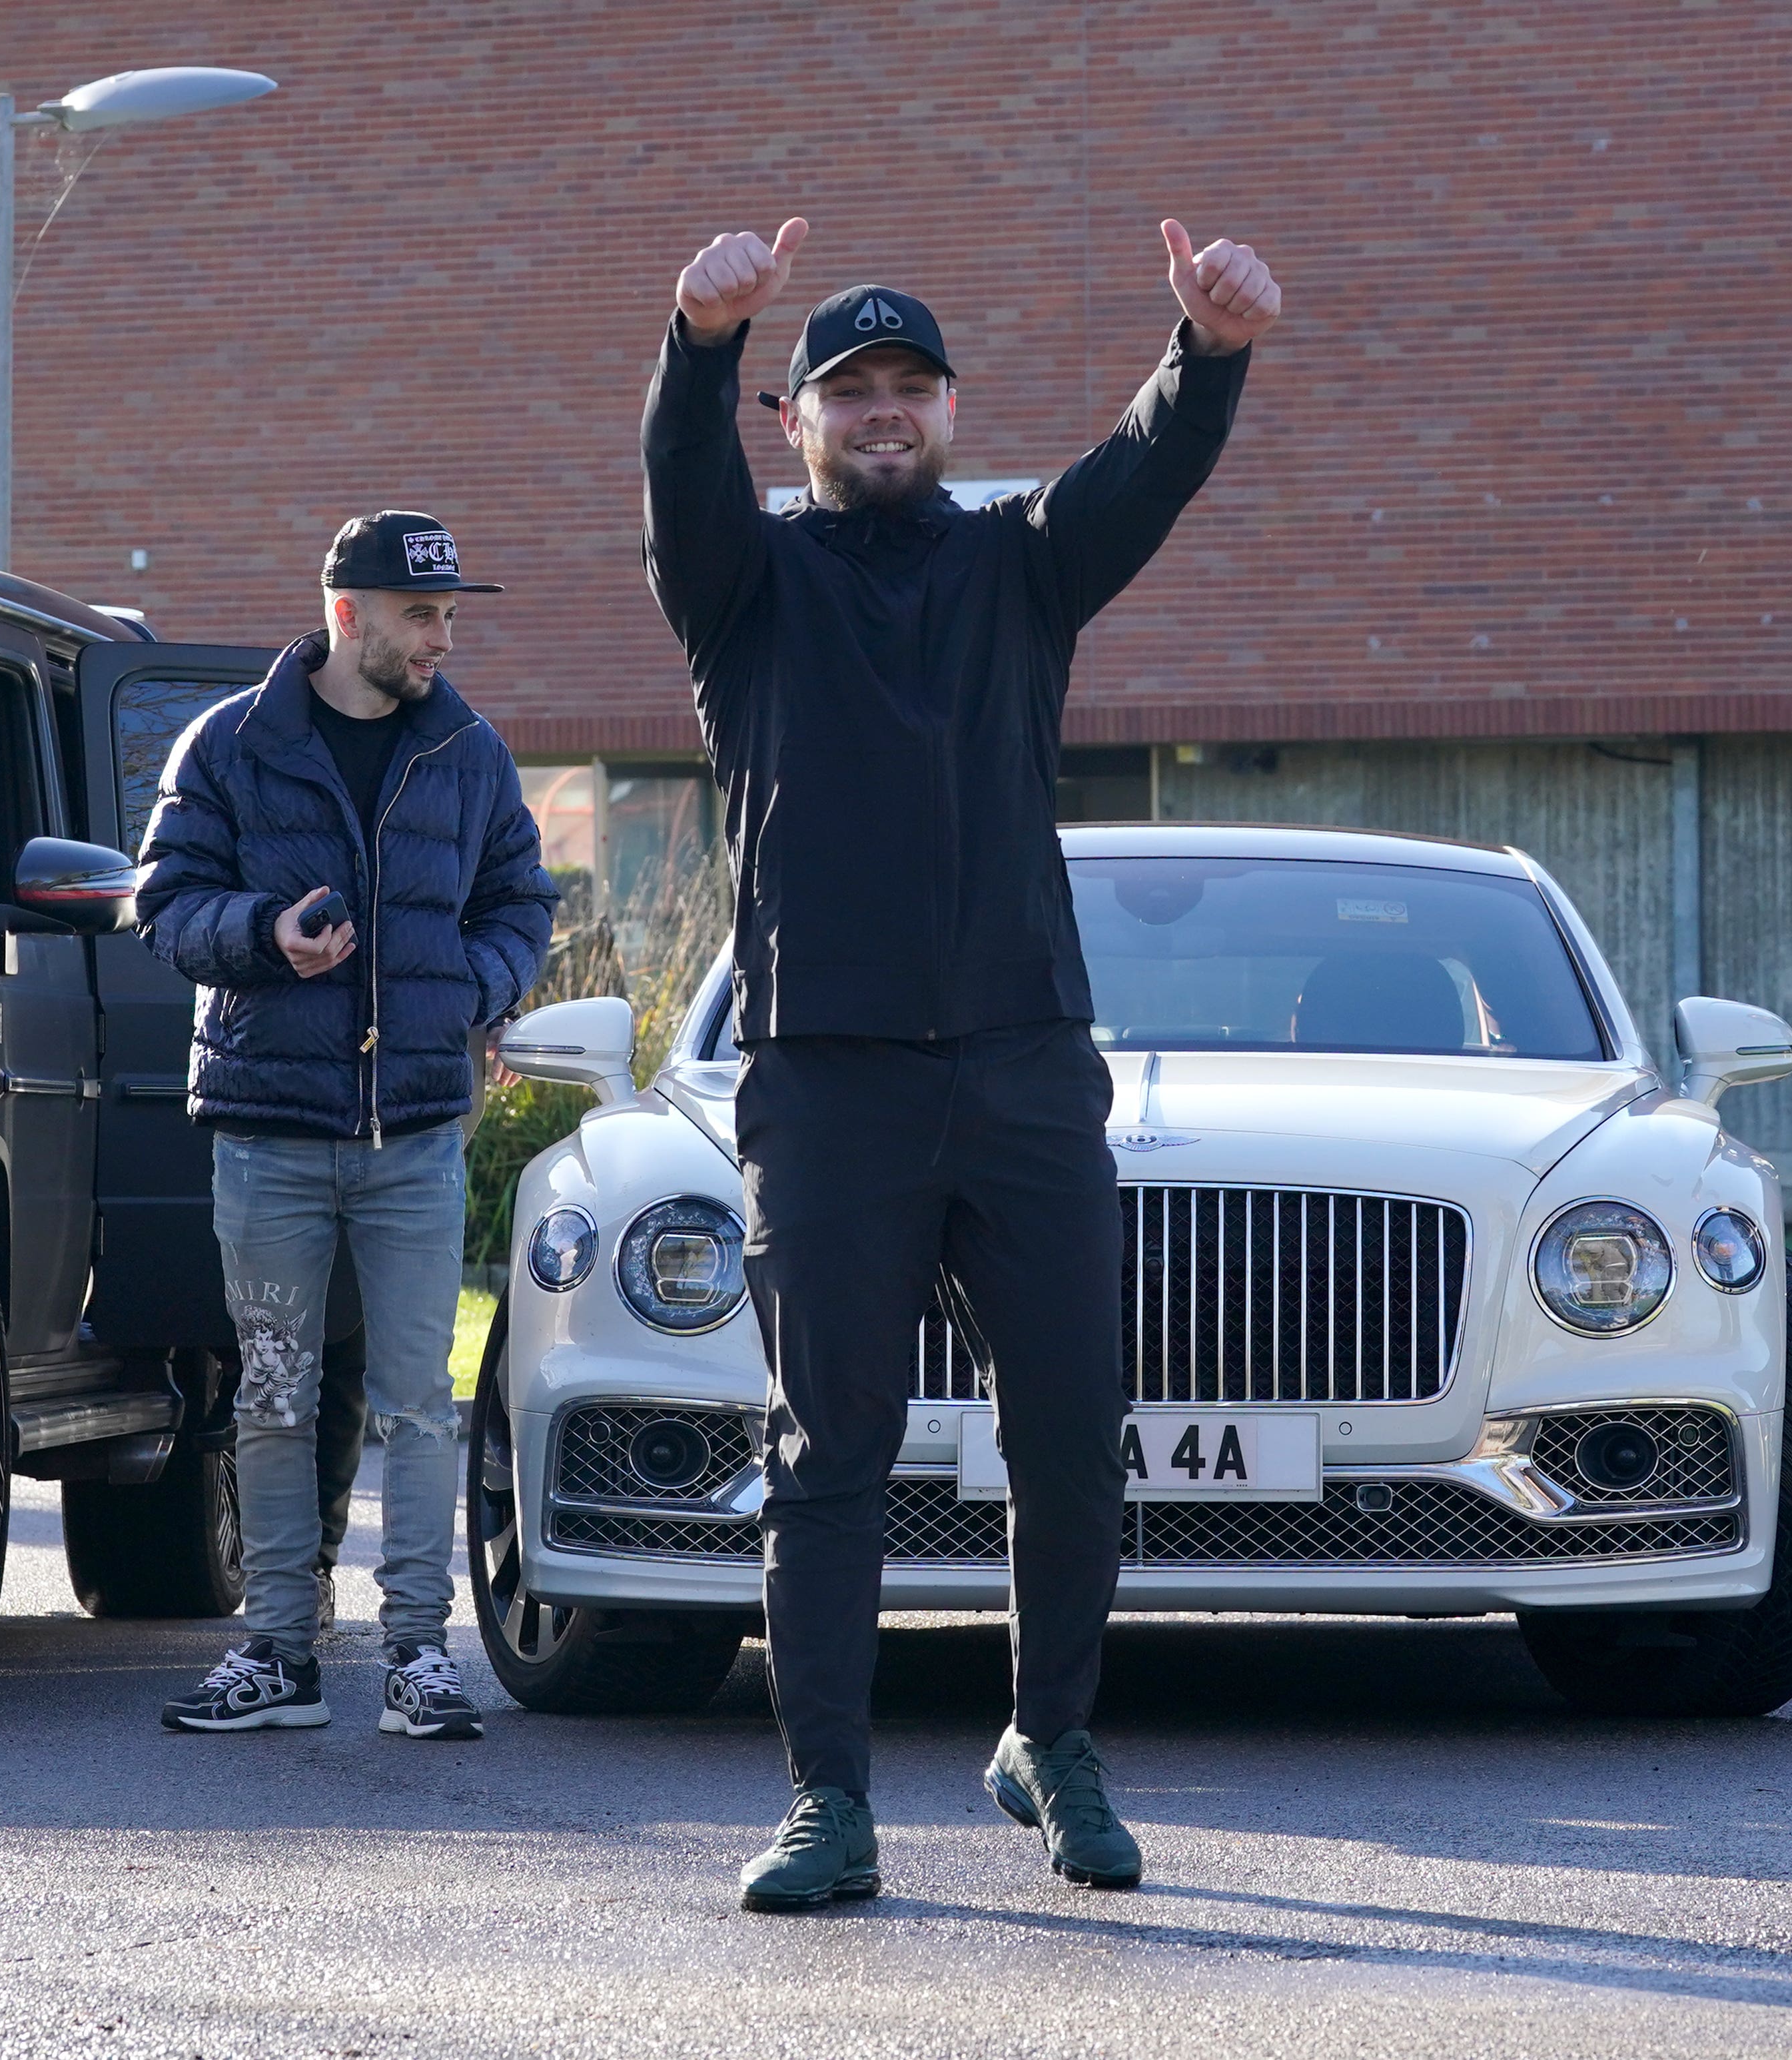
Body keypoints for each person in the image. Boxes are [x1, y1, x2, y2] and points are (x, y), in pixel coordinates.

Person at [642, 213, 1278, 1911]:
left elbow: (1142, 471)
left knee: (1071, 1425)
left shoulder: (1019, 563)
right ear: (797, 423)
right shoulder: (745, 587)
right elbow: (677, 488)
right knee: (828, 1448)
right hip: (828, 1075)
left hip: (1019, 1063)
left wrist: (1202, 355)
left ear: (947, 412)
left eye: (910, 386)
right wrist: (699, 344)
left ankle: (1050, 1739)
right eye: (848, 390)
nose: (883, 411)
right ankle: (826, 1800)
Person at [136, 511, 556, 1740]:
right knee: (269, 1389)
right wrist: (266, 934)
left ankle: (419, 1655)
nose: (439, 638)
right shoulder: (227, 745)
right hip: (269, 1130)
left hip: (417, 1133)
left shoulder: (468, 752)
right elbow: (162, 904)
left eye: (447, 616)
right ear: (347, 616)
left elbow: (519, 898)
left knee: (421, 1402)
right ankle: (277, 1649)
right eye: (418, 615)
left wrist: (474, 990)